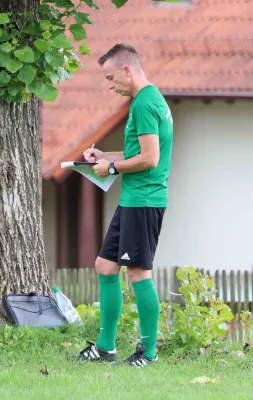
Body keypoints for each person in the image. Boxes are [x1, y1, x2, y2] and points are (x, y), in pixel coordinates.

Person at [77, 43, 173, 367]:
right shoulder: (146, 100)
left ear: (127, 70)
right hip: (132, 198)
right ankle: (105, 347)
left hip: (144, 201)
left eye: (110, 77)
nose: (110, 85)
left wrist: (113, 169)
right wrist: (104, 157)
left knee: (138, 273)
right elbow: (139, 152)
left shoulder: (145, 103)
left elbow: (150, 158)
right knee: (105, 266)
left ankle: (148, 352)